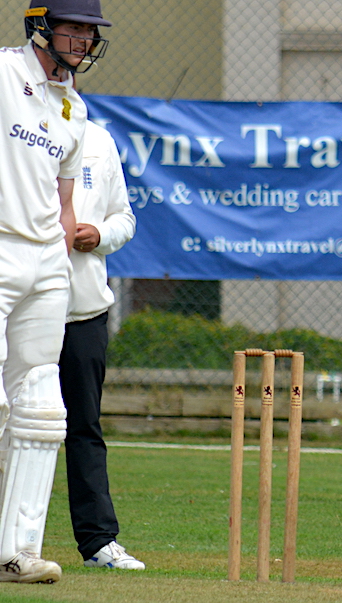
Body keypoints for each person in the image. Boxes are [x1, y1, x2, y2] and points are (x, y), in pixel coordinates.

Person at [0, 0, 111, 583]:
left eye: (89, 31)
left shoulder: (75, 107)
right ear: (40, 25)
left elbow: (65, 204)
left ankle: (15, 552)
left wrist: (62, 268)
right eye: (72, 28)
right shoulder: (3, 74)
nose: (83, 39)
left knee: (41, 409)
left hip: (46, 260)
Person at [60, 120, 142, 570]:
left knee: (84, 425)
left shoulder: (98, 138)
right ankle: (14, 542)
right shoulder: (12, 130)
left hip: (84, 310)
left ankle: (98, 543)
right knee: (11, 422)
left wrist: (99, 236)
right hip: (18, 307)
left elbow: (123, 217)